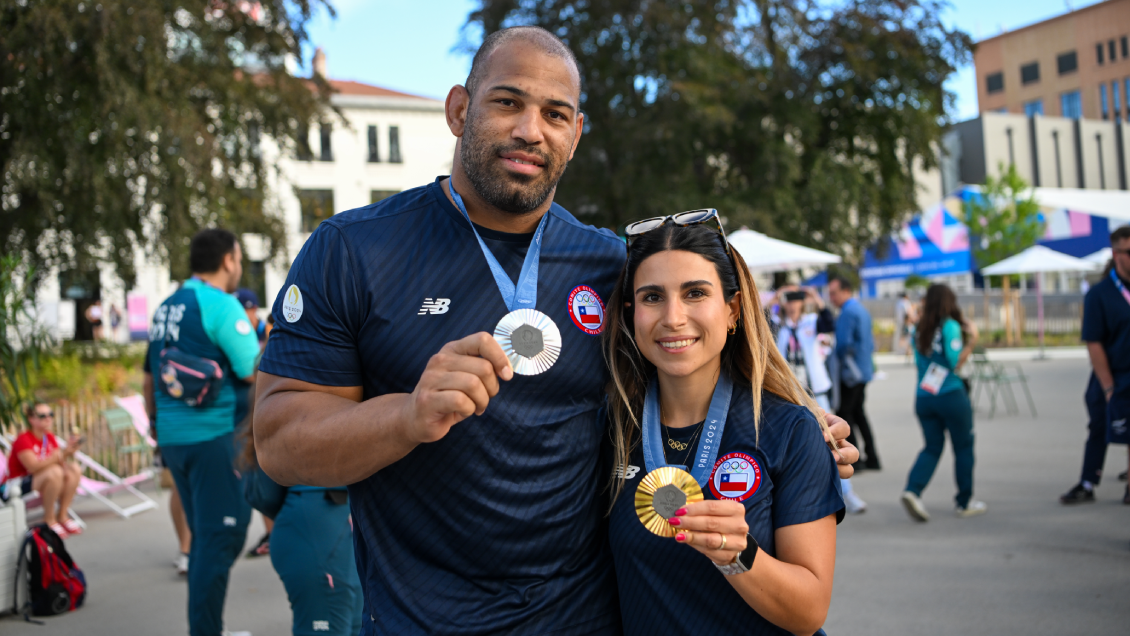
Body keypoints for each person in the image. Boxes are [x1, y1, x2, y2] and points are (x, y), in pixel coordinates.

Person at [252, 26, 859, 635]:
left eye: (555, 114)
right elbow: (278, 444)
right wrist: (406, 416)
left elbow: (699, 361)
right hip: (420, 622)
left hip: (583, 621)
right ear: (459, 110)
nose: (530, 130)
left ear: (575, 136)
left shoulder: (611, 265)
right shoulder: (354, 250)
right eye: (507, 102)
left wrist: (801, 424)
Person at [604, 217, 843, 635]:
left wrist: (736, 554)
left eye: (695, 293)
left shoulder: (789, 429)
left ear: (732, 309)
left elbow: (809, 613)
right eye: (653, 297)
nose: (673, 317)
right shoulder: (611, 428)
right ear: (632, 314)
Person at [144, 228, 260, 636]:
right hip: (214, 438)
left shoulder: (167, 307)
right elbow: (253, 371)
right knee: (223, 536)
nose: (239, 266)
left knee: (205, 538)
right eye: (239, 258)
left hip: (173, 438)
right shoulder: (222, 305)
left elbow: (149, 377)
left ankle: (207, 627)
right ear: (228, 260)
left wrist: (156, 426)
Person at [240, 389, 363, 636]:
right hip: (317, 524)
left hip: (334, 525)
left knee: (355, 625)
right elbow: (264, 494)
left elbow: (264, 495)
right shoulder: (298, 398)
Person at [773, 285, 867, 514]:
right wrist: (774, 298)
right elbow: (759, 323)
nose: (792, 304)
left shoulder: (811, 322)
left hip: (816, 393)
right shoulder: (779, 327)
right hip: (789, 394)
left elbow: (829, 323)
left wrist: (816, 297)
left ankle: (847, 493)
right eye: (788, 300)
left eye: (796, 300)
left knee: (832, 441)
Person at [899, 283, 986, 521]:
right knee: (963, 446)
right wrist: (972, 340)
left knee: (932, 446)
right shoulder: (950, 326)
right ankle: (964, 502)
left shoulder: (919, 328)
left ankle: (913, 490)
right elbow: (955, 362)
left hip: (924, 397)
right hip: (951, 395)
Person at [1061, 226, 1130, 505]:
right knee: (1100, 426)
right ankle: (1088, 482)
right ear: (1116, 254)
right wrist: (1109, 387)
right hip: (1111, 375)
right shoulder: (1100, 295)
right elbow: (1094, 342)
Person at [7, 402, 84, 538]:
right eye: (42, 416)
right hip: (18, 486)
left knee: (74, 468)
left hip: (44, 480)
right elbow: (32, 467)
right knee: (55, 472)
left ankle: (62, 516)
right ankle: (49, 519)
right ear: (31, 419)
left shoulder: (48, 437)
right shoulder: (23, 439)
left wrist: (68, 451)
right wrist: (59, 456)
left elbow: (59, 462)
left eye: (50, 414)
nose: (48, 418)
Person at [234, 288, 272, 557]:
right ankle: (270, 532)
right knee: (260, 474)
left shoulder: (264, 329)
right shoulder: (239, 332)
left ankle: (274, 532)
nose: (246, 315)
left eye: (249, 309)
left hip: (266, 406)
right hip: (252, 411)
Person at [829, 274, 880, 470]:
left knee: (845, 415)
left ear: (846, 291)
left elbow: (843, 344)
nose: (832, 298)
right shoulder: (860, 309)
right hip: (863, 370)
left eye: (834, 293)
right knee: (858, 413)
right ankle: (872, 457)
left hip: (851, 374)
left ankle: (855, 460)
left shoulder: (847, 312)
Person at [894, 291, 918, 355]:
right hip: (906, 322)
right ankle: (905, 351)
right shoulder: (905, 302)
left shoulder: (898, 302)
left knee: (900, 337)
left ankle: (900, 350)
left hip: (900, 322)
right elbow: (908, 312)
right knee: (907, 337)